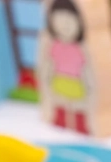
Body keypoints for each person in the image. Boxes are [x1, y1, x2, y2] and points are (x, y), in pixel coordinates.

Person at [45, 0, 89, 134]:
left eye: (69, 21)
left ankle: (81, 125)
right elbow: (51, 64)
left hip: (75, 81)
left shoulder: (79, 48)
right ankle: (60, 121)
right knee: (61, 102)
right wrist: (48, 78)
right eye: (58, 21)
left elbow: (84, 67)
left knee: (77, 105)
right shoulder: (55, 45)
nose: (64, 26)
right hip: (60, 79)